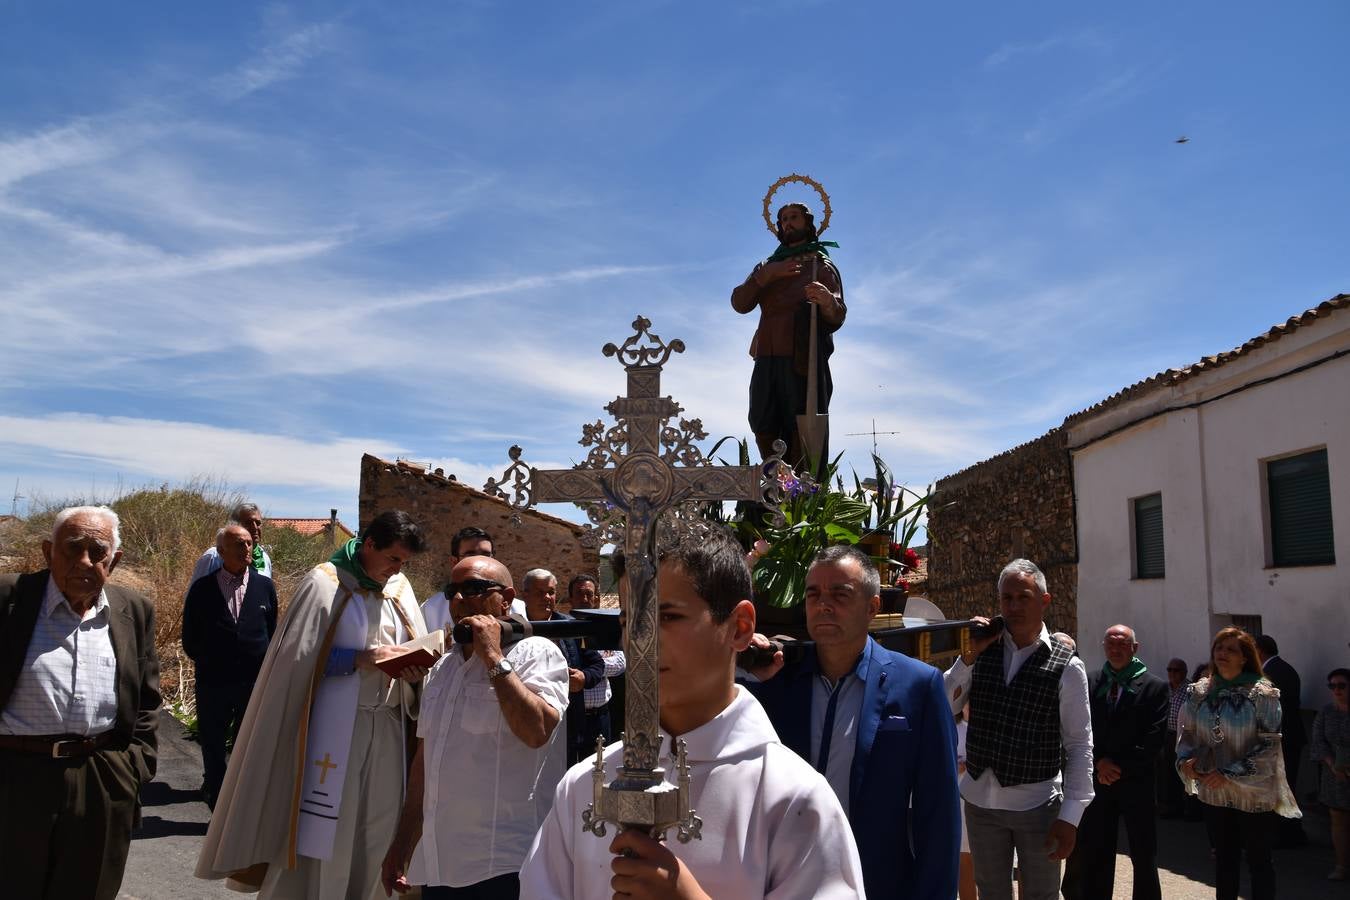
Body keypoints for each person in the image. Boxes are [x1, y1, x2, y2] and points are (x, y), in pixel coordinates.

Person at [519, 530, 865, 899]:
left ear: (740, 627)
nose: (640, 641)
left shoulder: (793, 798)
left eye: (666, 616)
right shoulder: (583, 785)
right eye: (628, 621)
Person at [195, 510, 430, 899]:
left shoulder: (400, 589)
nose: (397, 569)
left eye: (404, 562)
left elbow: (414, 645)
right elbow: (296, 663)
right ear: (369, 544)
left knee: (380, 824)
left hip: (389, 726)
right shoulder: (324, 583)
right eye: (393, 559)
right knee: (331, 829)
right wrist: (359, 659)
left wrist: (413, 671)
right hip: (335, 733)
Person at [743, 544, 960, 899]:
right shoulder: (778, 681)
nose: (823, 604)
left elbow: (938, 815)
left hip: (876, 883)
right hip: (787, 882)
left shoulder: (918, 686)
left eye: (840, 594)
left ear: (872, 607)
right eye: (813, 594)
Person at [381, 556, 569, 899]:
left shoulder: (537, 653)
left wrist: (493, 657)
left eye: (472, 589)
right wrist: (403, 842)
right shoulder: (443, 669)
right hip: (440, 862)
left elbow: (537, 731)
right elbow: (426, 763)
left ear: (507, 598)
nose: (458, 600)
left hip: (504, 863)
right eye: (452, 590)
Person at [0, 505, 161, 900]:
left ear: (115, 559)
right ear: (47, 551)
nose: (85, 561)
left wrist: (133, 767)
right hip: (14, 776)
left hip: (101, 779)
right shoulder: (9, 598)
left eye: (98, 551)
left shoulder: (133, 611)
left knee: (88, 889)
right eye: (73, 548)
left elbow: (146, 698)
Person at [943, 558, 1093, 900]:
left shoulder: (1068, 666)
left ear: (1044, 600)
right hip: (981, 802)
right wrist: (967, 657)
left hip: (1037, 803)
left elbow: (1079, 744)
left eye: (1023, 597)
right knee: (991, 892)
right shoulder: (982, 653)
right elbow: (943, 706)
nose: (1013, 606)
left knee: (1040, 894)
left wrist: (1071, 815)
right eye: (1006, 598)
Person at [1176, 627, 1300, 900]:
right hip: (1214, 791)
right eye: (1219, 648)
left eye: (1231, 649)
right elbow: (1189, 735)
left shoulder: (1263, 694)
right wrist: (1186, 761)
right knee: (1224, 862)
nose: (1222, 653)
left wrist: (1230, 773)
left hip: (1253, 793)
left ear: (1245, 657)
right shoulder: (1200, 692)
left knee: (1259, 862)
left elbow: (1270, 745)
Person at [731, 201, 846, 464]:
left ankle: (800, 489)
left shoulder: (819, 265)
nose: (787, 223)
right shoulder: (768, 266)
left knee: (800, 416)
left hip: (801, 357)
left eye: (794, 217)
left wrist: (827, 300)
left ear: (808, 223)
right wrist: (766, 275)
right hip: (767, 354)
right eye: (783, 219)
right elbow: (740, 302)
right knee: (761, 415)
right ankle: (773, 479)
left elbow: (838, 314)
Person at [1062, 624, 1168, 900]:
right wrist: (1099, 763)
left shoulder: (1154, 687)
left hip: (1136, 783)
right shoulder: (1091, 681)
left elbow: (1154, 738)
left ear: (1135, 648)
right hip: (1098, 782)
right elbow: (1079, 728)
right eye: (1110, 643)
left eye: (1122, 643)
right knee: (1095, 852)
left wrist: (1118, 767)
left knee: (1143, 855)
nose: (1116, 649)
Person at [182, 522, 278, 808]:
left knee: (245, 742)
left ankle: (237, 803)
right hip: (214, 681)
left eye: (249, 543)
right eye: (239, 543)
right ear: (221, 550)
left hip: (252, 681)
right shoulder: (202, 589)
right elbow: (190, 637)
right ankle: (215, 794)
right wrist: (211, 661)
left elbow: (271, 631)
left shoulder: (264, 586)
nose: (246, 548)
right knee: (212, 741)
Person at [521, 568, 604, 767]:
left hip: (568, 724)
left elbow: (597, 664)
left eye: (550, 592)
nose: (547, 597)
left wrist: (583, 678)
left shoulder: (571, 627)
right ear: (525, 595)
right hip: (527, 720)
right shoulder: (513, 628)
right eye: (539, 592)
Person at [1255, 634, 1309, 847]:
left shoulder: (1269, 674)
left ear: (1258, 651)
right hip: (1289, 736)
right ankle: (1290, 831)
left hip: (1279, 738)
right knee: (1287, 785)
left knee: (1279, 786)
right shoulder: (1286, 668)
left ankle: (1284, 833)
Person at [567, 573, 625, 753]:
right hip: (571, 718)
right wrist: (600, 665)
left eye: (589, 594)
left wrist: (588, 669)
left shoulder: (607, 628)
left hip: (600, 717)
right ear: (570, 598)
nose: (584, 599)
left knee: (599, 769)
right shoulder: (563, 628)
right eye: (579, 594)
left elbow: (621, 663)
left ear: (596, 598)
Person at [1310, 667, 1350, 880]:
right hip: (1334, 775)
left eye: (1341, 685)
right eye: (1332, 686)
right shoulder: (1327, 712)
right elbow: (1318, 741)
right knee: (1338, 819)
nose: (1337, 690)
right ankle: (1342, 866)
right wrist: (1333, 764)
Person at [422, 526, 495, 634]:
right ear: (454, 561)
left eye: (486, 555)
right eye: (471, 555)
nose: (480, 561)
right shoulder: (431, 609)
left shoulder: (516, 608)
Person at [188, 501, 273, 585]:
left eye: (258, 523)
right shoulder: (213, 556)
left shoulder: (264, 559)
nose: (255, 527)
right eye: (248, 523)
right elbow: (194, 594)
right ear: (234, 525)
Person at [1157, 657, 1190, 818]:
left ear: (1184, 672)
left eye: (1175, 670)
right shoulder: (1165, 688)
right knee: (1165, 772)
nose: (1172, 674)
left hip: (1183, 735)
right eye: (1169, 670)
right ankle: (1167, 807)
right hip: (1166, 734)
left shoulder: (1190, 690)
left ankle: (1183, 807)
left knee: (1181, 771)